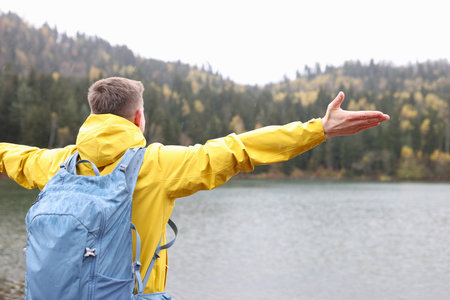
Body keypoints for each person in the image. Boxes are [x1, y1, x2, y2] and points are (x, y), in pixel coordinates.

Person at [0, 77, 389, 294]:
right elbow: (237, 149)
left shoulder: (56, 164)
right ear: (138, 119)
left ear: (92, 116)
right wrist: (318, 129)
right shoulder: (155, 165)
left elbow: (10, 156)